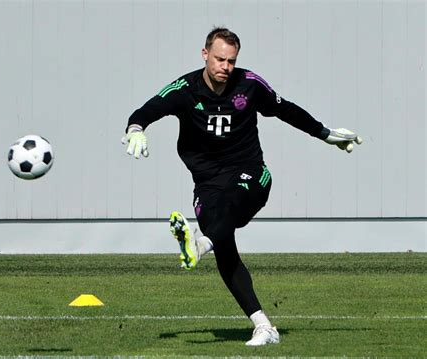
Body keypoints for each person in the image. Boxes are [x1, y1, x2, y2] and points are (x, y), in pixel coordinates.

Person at [122, 27, 362, 346]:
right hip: (208, 183)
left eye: (232, 61)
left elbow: (284, 109)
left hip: (251, 173)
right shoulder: (185, 89)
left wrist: (325, 133)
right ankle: (263, 326)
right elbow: (147, 110)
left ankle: (199, 245)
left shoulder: (249, 84)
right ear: (205, 55)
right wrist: (136, 128)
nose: (226, 67)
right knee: (224, 244)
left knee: (228, 211)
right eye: (220, 59)